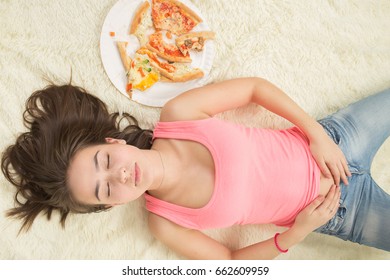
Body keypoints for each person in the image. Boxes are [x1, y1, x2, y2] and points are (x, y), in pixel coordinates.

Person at [2, 77, 389, 259]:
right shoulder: (165, 222)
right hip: (342, 214)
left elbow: (255, 89)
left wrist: (316, 135)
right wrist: (296, 234)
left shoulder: (178, 115)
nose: (118, 176)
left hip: (337, 139)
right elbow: (229, 264)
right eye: (104, 190)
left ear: (112, 142)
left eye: (104, 162)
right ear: (110, 206)